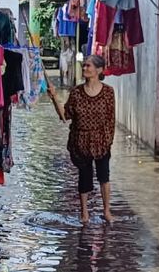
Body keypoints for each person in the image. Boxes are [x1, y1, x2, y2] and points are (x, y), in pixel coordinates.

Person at [47, 55, 116, 224]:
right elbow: (65, 116)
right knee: (84, 177)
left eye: (88, 66)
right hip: (80, 141)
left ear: (98, 70)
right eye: (84, 66)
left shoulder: (108, 92)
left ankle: (106, 211)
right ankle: (84, 213)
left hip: (101, 140)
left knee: (104, 176)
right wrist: (54, 97)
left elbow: (110, 119)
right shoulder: (76, 92)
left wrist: (107, 141)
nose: (84, 68)